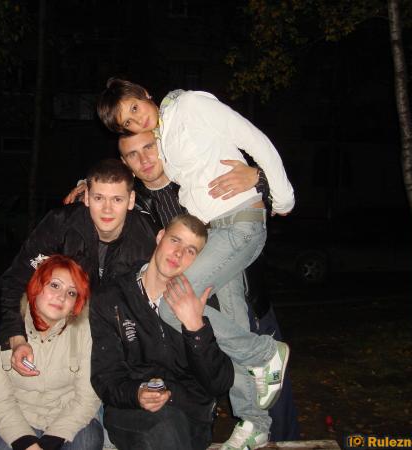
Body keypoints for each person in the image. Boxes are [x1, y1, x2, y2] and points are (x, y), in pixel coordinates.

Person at [98, 79, 295, 449]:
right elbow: (115, 187)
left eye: (136, 111)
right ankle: (254, 424)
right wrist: (88, 185)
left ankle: (267, 352)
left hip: (239, 235)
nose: (138, 125)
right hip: (219, 252)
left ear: (145, 94)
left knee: (175, 305)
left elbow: (250, 138)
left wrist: (269, 184)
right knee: (234, 337)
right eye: (127, 125)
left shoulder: (188, 109)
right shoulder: (155, 176)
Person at [0, 159, 156, 377]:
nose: (107, 209)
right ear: (86, 197)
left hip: (117, 326)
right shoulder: (61, 224)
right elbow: (14, 280)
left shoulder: (146, 238)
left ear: (131, 200)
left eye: (117, 199)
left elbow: (155, 304)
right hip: (67, 317)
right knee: (6, 327)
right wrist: (16, 338)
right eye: (98, 198)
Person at [89, 214, 234, 450]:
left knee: (171, 427)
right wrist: (137, 393)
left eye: (190, 251)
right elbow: (105, 377)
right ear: (160, 237)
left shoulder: (204, 301)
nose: (178, 253)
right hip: (131, 412)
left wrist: (195, 328)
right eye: (175, 240)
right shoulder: (112, 298)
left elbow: (220, 383)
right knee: (165, 426)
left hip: (191, 415)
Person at [0, 255, 103, 450]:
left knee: (86, 441)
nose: (62, 297)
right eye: (55, 285)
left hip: (69, 420)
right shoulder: (1, 329)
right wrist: (25, 441)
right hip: (18, 418)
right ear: (36, 285)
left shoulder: (85, 331)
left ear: (76, 303)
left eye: (71, 292)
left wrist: (52, 440)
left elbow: (87, 397)